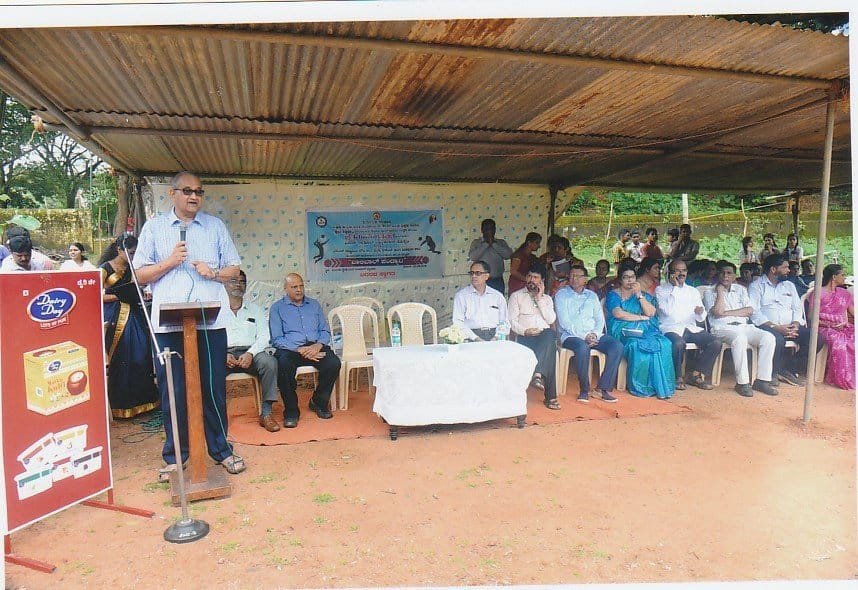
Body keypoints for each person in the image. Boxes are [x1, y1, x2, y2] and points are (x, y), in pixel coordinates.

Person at [133, 171, 246, 476]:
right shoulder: (154, 228)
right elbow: (139, 275)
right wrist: (170, 262)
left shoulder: (215, 227)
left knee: (213, 389)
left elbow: (234, 269)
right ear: (172, 194)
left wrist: (215, 273)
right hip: (169, 326)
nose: (194, 196)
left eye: (198, 191)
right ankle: (175, 455)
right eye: (187, 191)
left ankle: (221, 450)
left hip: (210, 324)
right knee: (174, 390)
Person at [269, 273, 342, 427]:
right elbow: (276, 338)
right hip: (290, 349)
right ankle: (291, 411)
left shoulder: (314, 304)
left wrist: (317, 346)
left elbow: (324, 330)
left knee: (333, 363)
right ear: (285, 289)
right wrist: (299, 349)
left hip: (315, 346)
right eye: (294, 287)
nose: (299, 289)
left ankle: (318, 402)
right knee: (283, 365)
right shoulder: (277, 308)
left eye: (301, 286)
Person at [99, 234, 159, 418]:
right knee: (123, 357)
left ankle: (145, 403)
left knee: (142, 355)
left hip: (135, 313)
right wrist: (119, 296)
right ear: (119, 250)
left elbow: (139, 289)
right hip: (116, 316)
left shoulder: (134, 268)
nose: (133, 256)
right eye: (130, 253)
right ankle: (122, 406)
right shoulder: (105, 269)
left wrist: (142, 294)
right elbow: (94, 295)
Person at [702, 260, 778, 397]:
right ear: (718, 275)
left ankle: (762, 380)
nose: (725, 276)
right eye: (722, 273)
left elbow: (749, 310)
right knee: (740, 338)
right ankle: (742, 383)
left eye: (729, 273)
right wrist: (720, 292)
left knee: (768, 338)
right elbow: (718, 312)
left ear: (734, 276)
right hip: (721, 328)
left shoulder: (741, 290)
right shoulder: (709, 292)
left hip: (744, 326)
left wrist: (727, 313)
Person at [748, 253, 824, 387]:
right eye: (785, 267)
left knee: (816, 338)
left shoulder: (789, 285)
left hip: (790, 326)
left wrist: (795, 324)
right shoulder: (756, 286)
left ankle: (788, 369)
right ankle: (771, 373)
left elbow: (797, 308)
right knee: (777, 338)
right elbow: (754, 313)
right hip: (766, 326)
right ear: (773, 269)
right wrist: (776, 327)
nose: (788, 270)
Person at [555, 264, 623, 403]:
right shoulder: (561, 295)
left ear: (585, 279)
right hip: (570, 336)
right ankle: (584, 390)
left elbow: (599, 320)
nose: (574, 279)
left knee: (617, 346)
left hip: (593, 334)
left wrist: (595, 335)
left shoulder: (592, 296)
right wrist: (584, 336)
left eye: (578, 276)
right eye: (572, 275)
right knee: (582, 347)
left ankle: (602, 389)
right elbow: (564, 323)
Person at [606, 262, 674, 399]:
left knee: (664, 343)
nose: (630, 280)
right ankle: (641, 387)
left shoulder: (643, 295)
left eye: (632, 277)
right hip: (622, 329)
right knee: (636, 346)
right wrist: (640, 318)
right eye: (626, 277)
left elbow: (651, 313)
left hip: (645, 329)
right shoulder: (613, 295)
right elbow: (618, 314)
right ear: (620, 279)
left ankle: (660, 386)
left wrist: (639, 295)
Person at [225, 270, 281, 432]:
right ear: (224, 284)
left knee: (270, 362)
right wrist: (221, 353)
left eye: (242, 282)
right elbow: (210, 336)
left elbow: (265, 336)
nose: (238, 285)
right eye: (233, 281)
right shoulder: (217, 310)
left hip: (251, 353)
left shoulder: (255, 309)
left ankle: (266, 413)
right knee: (209, 367)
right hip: (224, 353)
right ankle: (217, 415)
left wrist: (251, 353)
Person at [655, 259, 721, 390]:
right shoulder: (661, 290)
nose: (681, 273)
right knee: (678, 343)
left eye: (684, 270)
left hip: (690, 327)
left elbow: (702, 317)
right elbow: (669, 313)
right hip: (670, 327)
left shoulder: (692, 291)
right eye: (678, 270)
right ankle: (677, 377)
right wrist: (675, 287)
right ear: (670, 272)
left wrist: (700, 312)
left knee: (715, 342)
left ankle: (695, 374)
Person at [508, 266, 559, 409]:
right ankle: (551, 397)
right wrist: (525, 331)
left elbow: (550, 320)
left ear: (542, 281)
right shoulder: (516, 296)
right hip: (525, 336)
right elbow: (512, 321)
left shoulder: (547, 299)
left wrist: (539, 298)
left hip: (543, 336)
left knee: (549, 334)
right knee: (549, 351)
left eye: (535, 277)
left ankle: (537, 374)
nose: (531, 280)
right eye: (529, 276)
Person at [810, 264, 854, 390]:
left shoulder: (844, 294)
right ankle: (843, 378)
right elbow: (812, 317)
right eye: (843, 275)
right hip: (823, 327)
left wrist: (841, 324)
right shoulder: (819, 292)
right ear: (834, 277)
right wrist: (830, 324)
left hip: (841, 326)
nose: (844, 277)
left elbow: (852, 312)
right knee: (840, 342)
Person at [453, 260, 508, 341]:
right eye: (471, 273)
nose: (474, 276)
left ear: (486, 276)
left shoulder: (497, 296)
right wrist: (475, 338)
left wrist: (496, 337)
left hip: (494, 336)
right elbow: (457, 322)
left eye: (478, 273)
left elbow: (504, 321)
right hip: (471, 336)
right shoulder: (461, 296)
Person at [468, 218, 513, 294]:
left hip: (497, 280)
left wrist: (493, 244)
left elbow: (508, 255)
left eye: (491, 228)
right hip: (480, 280)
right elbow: (472, 257)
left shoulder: (501, 242)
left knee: (497, 304)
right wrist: (485, 244)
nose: (489, 231)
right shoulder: (476, 242)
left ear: (495, 230)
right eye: (486, 228)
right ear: (482, 230)